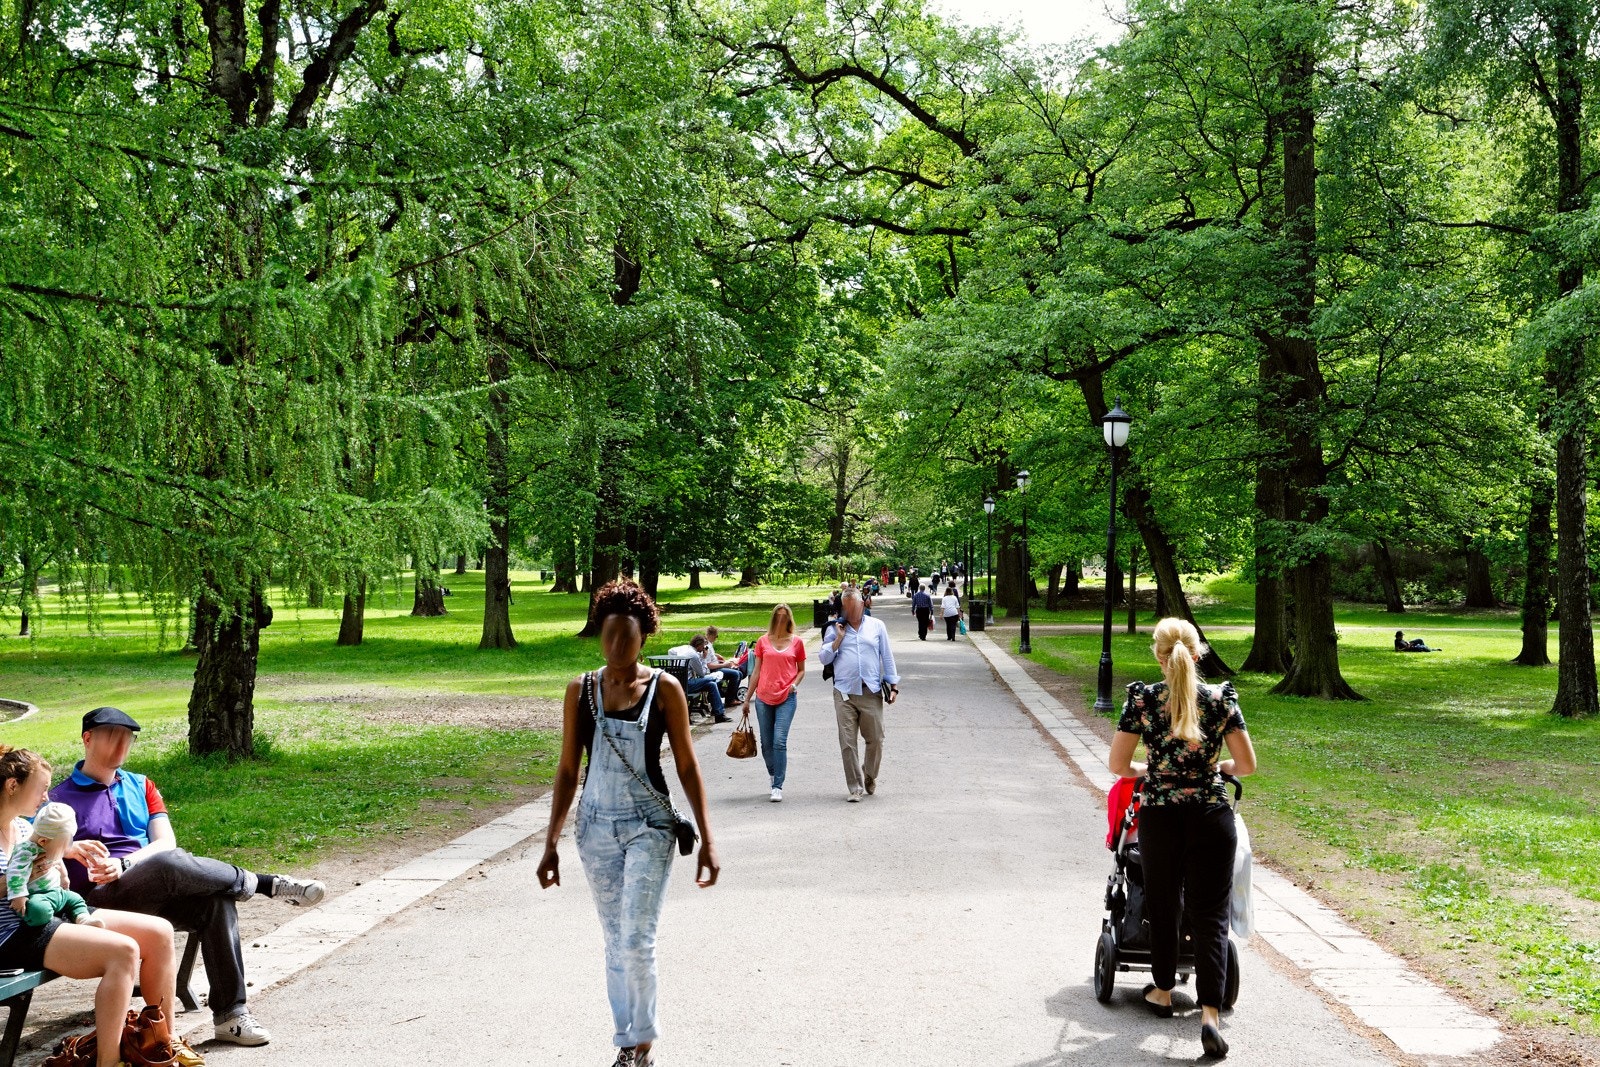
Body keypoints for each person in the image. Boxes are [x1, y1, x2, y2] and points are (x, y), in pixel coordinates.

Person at [50, 707, 326, 1048]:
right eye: (112, 736)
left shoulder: (142, 785)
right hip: (99, 904)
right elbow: (34, 847)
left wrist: (126, 864)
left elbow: (166, 842)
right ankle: (264, 883)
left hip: (152, 885)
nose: (121, 745)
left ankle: (231, 1015)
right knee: (168, 864)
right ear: (87, 738)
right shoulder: (58, 799)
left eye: (128, 738)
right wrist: (70, 849)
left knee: (215, 900)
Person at [538, 581, 719, 1067]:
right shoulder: (580, 690)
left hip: (649, 827)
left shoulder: (665, 690)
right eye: (610, 635)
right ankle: (626, 1040)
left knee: (637, 939)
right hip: (595, 829)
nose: (617, 646)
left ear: (645, 638)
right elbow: (568, 770)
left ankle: (642, 1044)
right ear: (600, 633)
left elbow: (687, 765)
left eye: (628, 637)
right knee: (616, 941)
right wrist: (551, 842)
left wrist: (708, 839)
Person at [1108, 618, 1257, 1061]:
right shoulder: (1220, 699)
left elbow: (1119, 766)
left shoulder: (1142, 699)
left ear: (1159, 656)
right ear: (1198, 653)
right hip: (1211, 817)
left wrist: (1151, 770)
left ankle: (1163, 991)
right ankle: (1210, 1016)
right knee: (1211, 915)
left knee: (1164, 903)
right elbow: (1246, 765)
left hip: (1162, 816)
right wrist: (1219, 768)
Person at [1, 745, 205, 1067]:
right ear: (13, 786)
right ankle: (108, 1063)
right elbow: (18, 876)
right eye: (41, 788)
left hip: (52, 911)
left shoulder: (25, 828)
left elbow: (45, 858)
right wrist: (16, 881)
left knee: (159, 932)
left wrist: (64, 854)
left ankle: (163, 1041)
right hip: (14, 933)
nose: (45, 797)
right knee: (123, 951)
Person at [818, 589, 900, 801]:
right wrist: (838, 639)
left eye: (854, 607)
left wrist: (893, 686)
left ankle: (870, 774)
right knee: (848, 742)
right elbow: (824, 658)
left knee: (876, 739)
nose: (850, 612)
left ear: (862, 605)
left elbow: (887, 656)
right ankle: (855, 787)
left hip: (870, 691)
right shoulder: (834, 628)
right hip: (844, 692)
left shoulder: (877, 626)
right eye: (846, 608)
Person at [741, 604, 807, 802]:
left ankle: (777, 785)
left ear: (789, 619)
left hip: (787, 696)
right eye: (777, 616)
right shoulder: (763, 641)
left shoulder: (797, 642)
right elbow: (756, 672)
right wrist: (747, 699)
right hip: (763, 696)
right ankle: (773, 773)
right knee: (766, 743)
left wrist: (794, 685)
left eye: (784, 617)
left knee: (779, 741)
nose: (780, 620)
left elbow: (801, 670)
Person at [8, 802, 102, 928]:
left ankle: (82, 918)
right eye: (63, 846)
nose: (66, 849)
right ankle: (53, 919)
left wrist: (64, 878)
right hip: (37, 896)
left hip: (57, 891)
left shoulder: (48, 846)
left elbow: (58, 860)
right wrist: (18, 897)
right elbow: (15, 874)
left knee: (76, 899)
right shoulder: (25, 851)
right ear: (43, 841)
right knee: (38, 910)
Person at [665, 635, 730, 724]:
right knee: (714, 677)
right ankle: (717, 677)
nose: (704, 648)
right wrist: (704, 658)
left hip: (677, 683)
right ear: (699, 645)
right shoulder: (694, 655)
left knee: (712, 685)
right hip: (687, 684)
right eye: (703, 646)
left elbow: (670, 651)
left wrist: (675, 664)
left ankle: (719, 714)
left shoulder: (684, 648)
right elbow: (702, 674)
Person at [702, 626, 745, 702]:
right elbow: (709, 665)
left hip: (716, 666)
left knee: (739, 673)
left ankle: (732, 695)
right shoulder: (707, 646)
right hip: (713, 670)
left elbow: (711, 656)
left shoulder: (710, 644)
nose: (716, 638)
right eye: (716, 636)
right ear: (711, 635)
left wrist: (717, 656)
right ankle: (729, 699)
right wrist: (724, 665)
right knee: (735, 674)